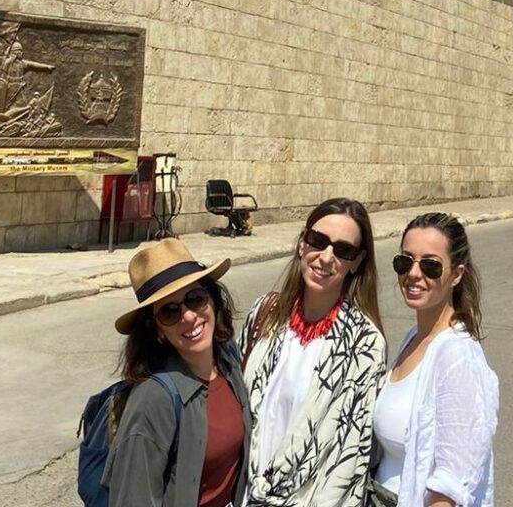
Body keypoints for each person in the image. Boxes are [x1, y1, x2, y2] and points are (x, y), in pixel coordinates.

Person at [238, 199, 386, 507]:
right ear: (302, 243)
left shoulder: (364, 344)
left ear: (356, 262)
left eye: (343, 250)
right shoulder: (265, 313)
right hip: (241, 494)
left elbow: (349, 461)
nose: (327, 257)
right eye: (318, 241)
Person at [102, 239, 250, 507]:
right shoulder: (153, 400)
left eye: (195, 298)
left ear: (212, 300)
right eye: (170, 312)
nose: (189, 316)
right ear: (157, 329)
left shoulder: (228, 361)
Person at [371, 213, 498, 507]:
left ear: (456, 274)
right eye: (405, 261)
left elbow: (451, 486)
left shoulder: (458, 355)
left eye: (430, 265)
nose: (414, 274)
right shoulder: (414, 337)